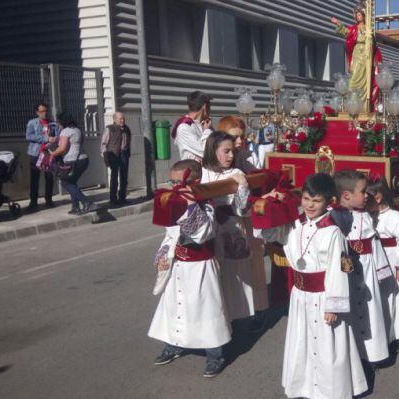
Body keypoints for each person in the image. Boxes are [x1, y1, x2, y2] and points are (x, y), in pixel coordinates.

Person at [256, 173, 368, 399]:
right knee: (302, 341)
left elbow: (340, 270)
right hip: (300, 296)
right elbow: (266, 232)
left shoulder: (333, 231)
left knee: (327, 345)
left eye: (316, 201)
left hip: (324, 296)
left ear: (329, 202)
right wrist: (267, 203)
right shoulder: (294, 224)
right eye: (306, 199)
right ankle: (305, 388)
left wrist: (333, 306)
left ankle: (330, 391)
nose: (310, 205)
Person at [148, 159, 231, 378]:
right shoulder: (175, 203)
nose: (174, 187)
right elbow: (170, 236)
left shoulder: (206, 204)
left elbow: (204, 233)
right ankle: (173, 345)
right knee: (175, 308)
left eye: (178, 182)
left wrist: (189, 205)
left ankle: (215, 355)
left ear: (194, 182)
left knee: (206, 310)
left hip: (201, 268)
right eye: (172, 182)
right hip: (178, 266)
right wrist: (162, 257)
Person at [200, 132, 269, 325]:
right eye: (226, 151)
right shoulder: (203, 172)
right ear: (213, 150)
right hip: (209, 230)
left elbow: (243, 209)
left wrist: (242, 186)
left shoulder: (236, 174)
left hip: (231, 228)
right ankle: (217, 320)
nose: (231, 155)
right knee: (214, 276)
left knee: (236, 277)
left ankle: (240, 319)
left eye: (233, 151)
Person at [332, 170, 389, 364]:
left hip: (365, 269)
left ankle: (372, 355)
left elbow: (373, 243)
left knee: (369, 310)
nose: (367, 195)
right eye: (363, 191)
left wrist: (381, 271)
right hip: (345, 273)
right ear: (346, 195)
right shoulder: (333, 217)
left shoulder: (365, 216)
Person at [367, 175, 399, 343]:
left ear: (378, 198)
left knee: (394, 297)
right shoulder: (368, 216)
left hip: (392, 259)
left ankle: (395, 335)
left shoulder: (396, 217)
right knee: (380, 298)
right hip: (375, 259)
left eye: (367, 198)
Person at [331, 4, 383, 111]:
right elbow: (346, 32)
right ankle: (352, 103)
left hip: (366, 56)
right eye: (357, 15)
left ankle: (363, 107)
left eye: (360, 14)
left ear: (364, 16)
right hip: (356, 54)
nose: (358, 16)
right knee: (353, 80)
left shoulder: (368, 29)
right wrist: (338, 23)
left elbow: (373, 44)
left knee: (366, 80)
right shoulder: (354, 29)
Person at [48, 112, 96, 215]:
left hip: (73, 161)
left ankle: (87, 203)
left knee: (65, 182)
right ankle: (75, 207)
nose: (58, 124)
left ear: (62, 122)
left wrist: (53, 153)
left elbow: (62, 148)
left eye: (58, 122)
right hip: (83, 159)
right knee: (72, 182)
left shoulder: (65, 131)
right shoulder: (77, 130)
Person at [25, 102, 58, 212]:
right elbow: (29, 136)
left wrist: (54, 139)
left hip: (49, 153)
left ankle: (49, 200)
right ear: (37, 112)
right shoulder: (32, 123)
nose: (44, 113)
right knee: (35, 178)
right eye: (42, 111)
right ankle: (33, 202)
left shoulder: (52, 123)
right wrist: (45, 139)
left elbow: (57, 136)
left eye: (46, 111)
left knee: (49, 177)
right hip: (36, 153)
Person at [100, 112, 131, 206]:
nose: (123, 120)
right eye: (120, 119)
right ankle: (113, 199)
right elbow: (104, 143)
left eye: (123, 118)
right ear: (115, 119)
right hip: (113, 154)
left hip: (124, 154)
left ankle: (122, 198)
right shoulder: (110, 128)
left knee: (124, 177)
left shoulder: (126, 129)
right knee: (114, 176)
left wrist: (128, 153)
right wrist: (105, 156)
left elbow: (128, 142)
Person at [172, 91, 213, 161]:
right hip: (192, 167)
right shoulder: (184, 127)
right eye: (209, 107)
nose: (210, 110)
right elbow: (205, 151)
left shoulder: (203, 124)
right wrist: (207, 131)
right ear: (205, 106)